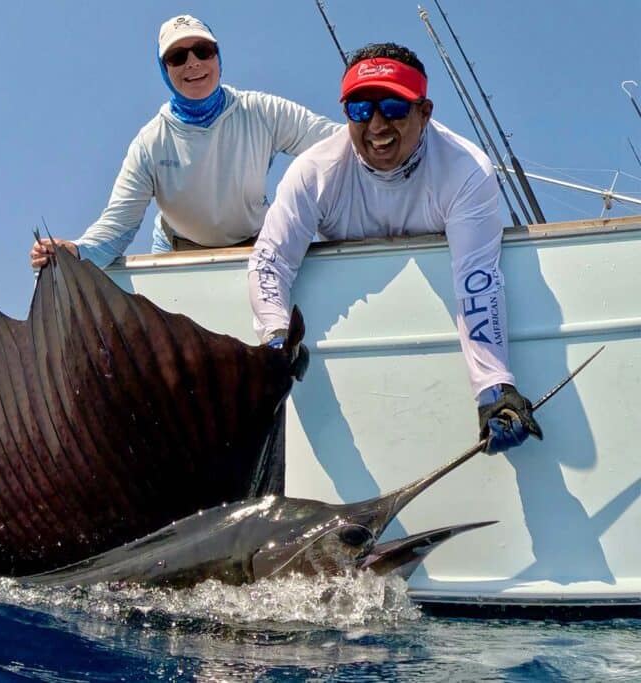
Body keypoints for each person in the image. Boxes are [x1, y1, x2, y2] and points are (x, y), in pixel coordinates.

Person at [248, 42, 542, 454]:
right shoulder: (313, 172)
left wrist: (494, 388)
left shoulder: (466, 170)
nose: (377, 125)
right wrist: (277, 338)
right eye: (361, 109)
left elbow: (477, 280)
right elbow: (269, 263)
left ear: (425, 111)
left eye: (394, 106)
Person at [29, 14, 342, 269]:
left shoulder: (262, 111)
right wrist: (75, 251)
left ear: (218, 57)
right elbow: (118, 228)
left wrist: (379, 117)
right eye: (178, 57)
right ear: (165, 70)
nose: (193, 63)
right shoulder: (150, 142)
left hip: (257, 246)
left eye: (203, 51)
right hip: (176, 255)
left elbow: (337, 144)